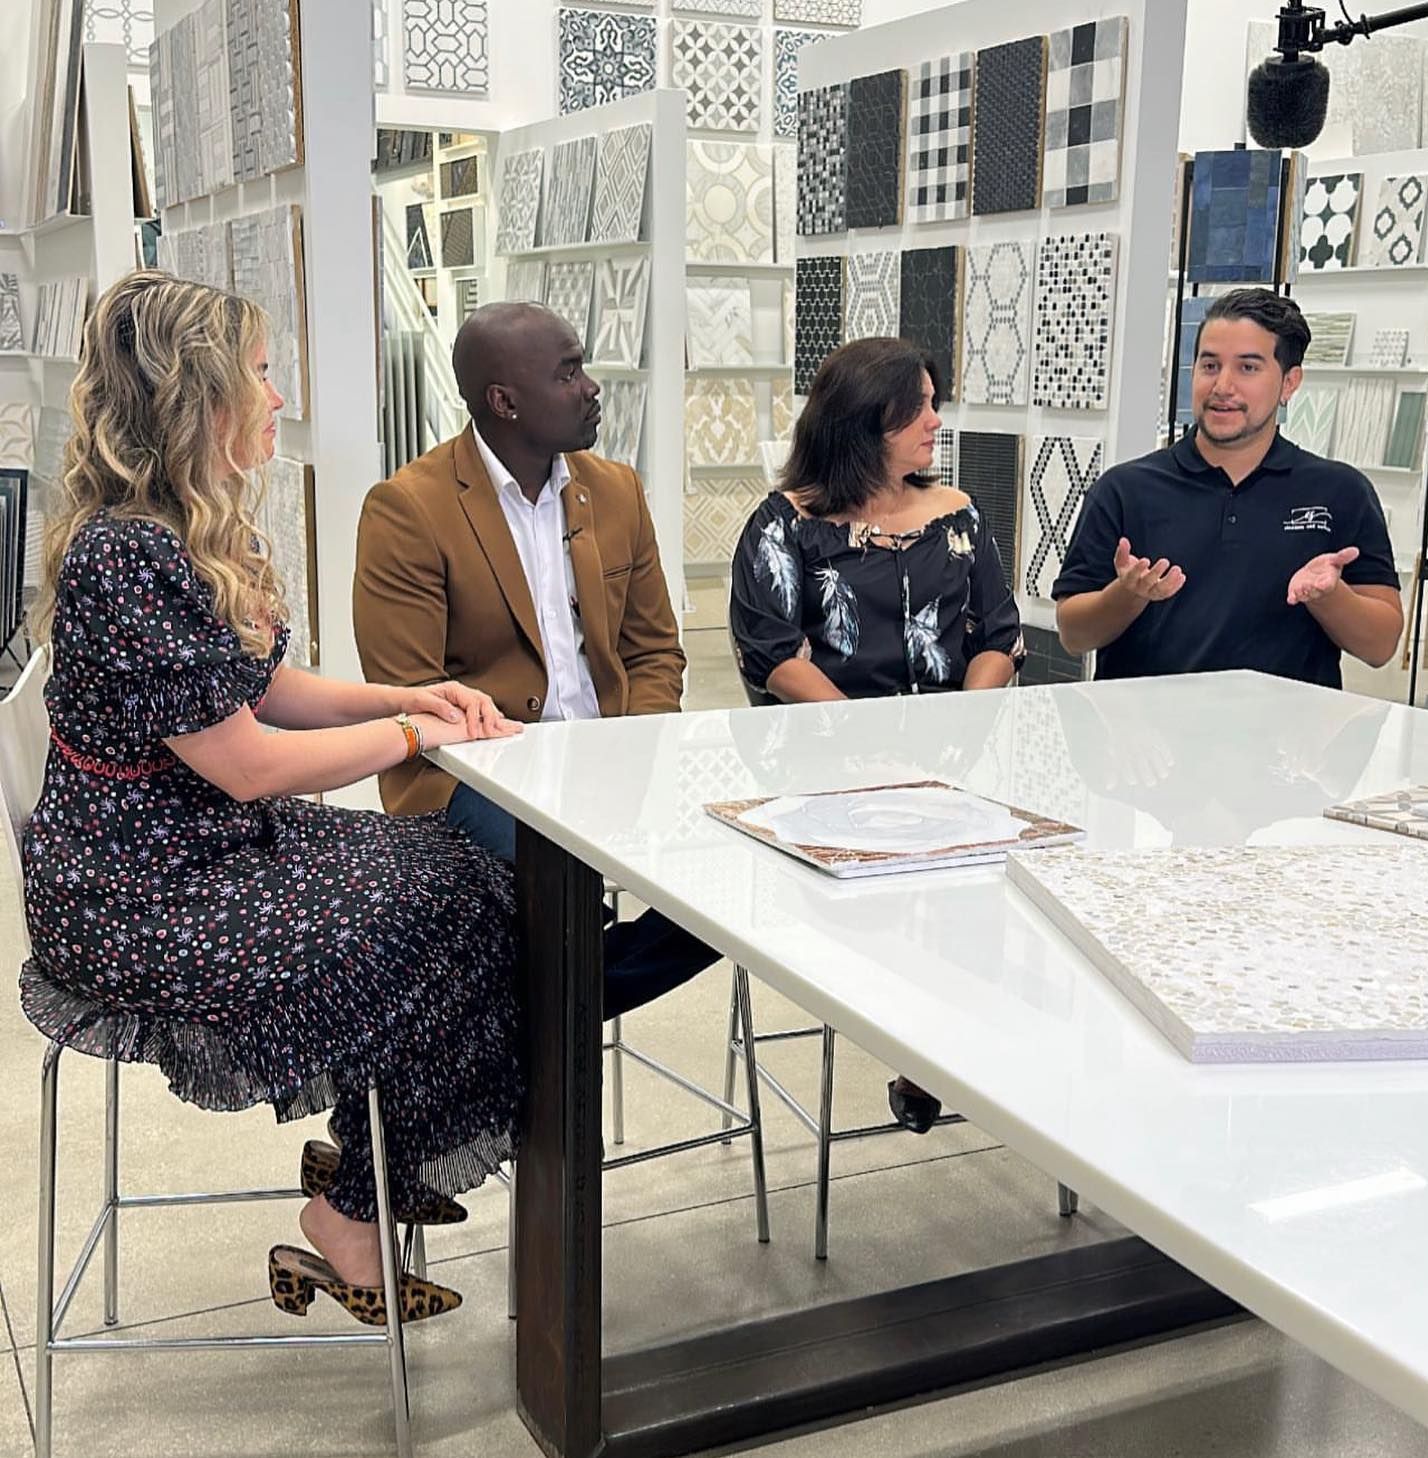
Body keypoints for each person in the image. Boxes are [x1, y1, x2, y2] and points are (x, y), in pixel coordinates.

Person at [20, 271, 525, 1328]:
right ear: (196, 398)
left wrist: (403, 692)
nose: (278, 395)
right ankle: (351, 1204)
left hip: (190, 844)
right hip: (138, 894)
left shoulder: (172, 528)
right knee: (446, 900)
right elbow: (248, 763)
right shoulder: (127, 553)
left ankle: (369, 1157)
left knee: (461, 873)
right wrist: (412, 733)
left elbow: (257, 691)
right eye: (258, 373)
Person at [353, 301, 717, 1019]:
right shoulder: (408, 509)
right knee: (563, 882)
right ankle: (560, 1000)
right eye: (569, 372)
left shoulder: (615, 492)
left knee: (736, 875)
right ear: (504, 401)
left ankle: (543, 1000)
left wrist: (630, 747)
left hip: (608, 753)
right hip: (470, 772)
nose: (591, 387)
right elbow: (409, 691)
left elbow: (653, 651)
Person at [729, 336, 1025, 1133]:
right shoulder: (782, 525)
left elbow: (999, 635)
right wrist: (870, 749)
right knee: (894, 895)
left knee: (1014, 880)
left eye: (935, 401)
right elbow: (773, 654)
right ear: (865, 424)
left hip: (951, 771)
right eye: (919, 408)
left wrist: (952, 731)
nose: (937, 420)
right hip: (823, 778)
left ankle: (949, 1045)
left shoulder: (957, 514)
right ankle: (923, 1041)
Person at [1054, 287, 1403, 683]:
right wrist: (1128, 594)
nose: (1222, 386)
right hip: (1145, 737)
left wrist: (1328, 596)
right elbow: (1073, 635)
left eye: (1248, 368)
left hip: (1286, 740)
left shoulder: (1341, 492)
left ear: (1290, 383)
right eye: (1209, 365)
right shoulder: (1124, 489)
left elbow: (1381, 647)